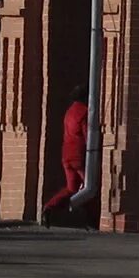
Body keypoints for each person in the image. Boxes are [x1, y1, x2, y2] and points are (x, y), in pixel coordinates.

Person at [44, 90, 88, 219]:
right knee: (90, 187)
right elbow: (87, 135)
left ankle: (50, 207)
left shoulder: (69, 112)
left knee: (71, 188)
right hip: (79, 154)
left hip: (67, 154)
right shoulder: (84, 112)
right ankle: (85, 217)